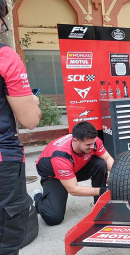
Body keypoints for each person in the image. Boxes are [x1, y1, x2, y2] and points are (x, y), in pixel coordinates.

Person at [0, 1, 42, 254]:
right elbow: (30, 120)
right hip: (3, 162)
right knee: (7, 238)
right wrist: (33, 102)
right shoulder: (5, 56)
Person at [33, 121, 113, 226]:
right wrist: (105, 190)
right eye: (88, 144)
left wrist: (117, 174)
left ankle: (99, 203)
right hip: (54, 176)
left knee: (100, 164)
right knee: (53, 217)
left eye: (93, 143)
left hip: (75, 167)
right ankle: (37, 197)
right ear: (75, 141)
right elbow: (73, 190)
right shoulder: (60, 156)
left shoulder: (92, 141)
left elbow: (107, 158)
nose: (93, 146)